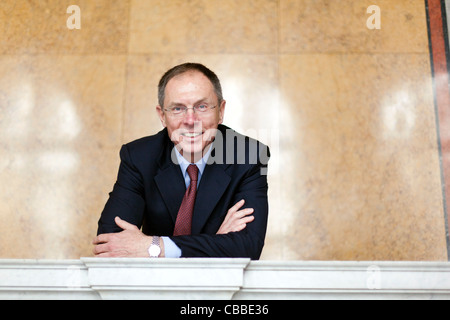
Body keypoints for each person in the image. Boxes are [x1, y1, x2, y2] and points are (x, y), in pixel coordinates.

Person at [93, 63, 270, 260]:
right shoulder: (138, 157)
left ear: (220, 111)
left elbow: (247, 247)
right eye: (177, 108)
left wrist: (155, 247)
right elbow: (110, 245)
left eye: (202, 106)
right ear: (162, 115)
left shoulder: (248, 156)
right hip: (153, 286)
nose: (190, 119)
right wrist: (216, 241)